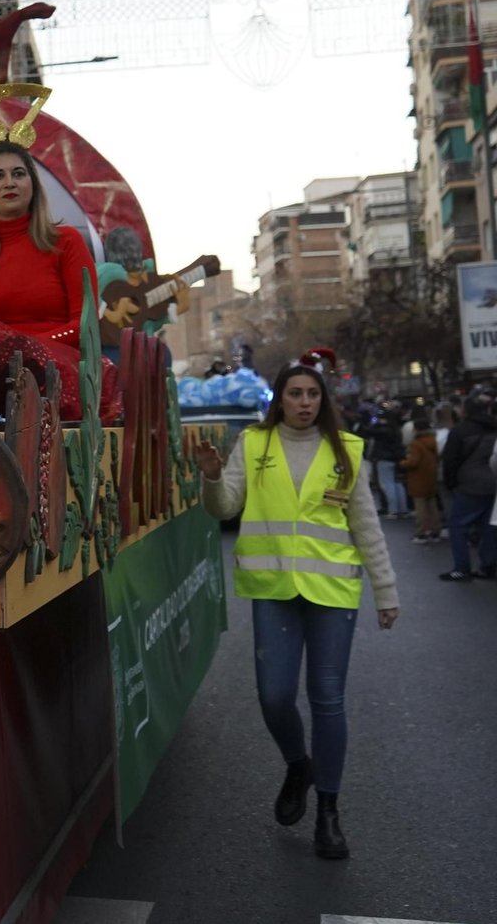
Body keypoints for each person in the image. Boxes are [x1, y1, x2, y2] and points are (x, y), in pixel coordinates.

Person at [196, 358, 399, 861]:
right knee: (274, 696)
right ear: (280, 399)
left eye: (313, 394)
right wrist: (214, 478)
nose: (305, 402)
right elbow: (225, 507)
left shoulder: (347, 450)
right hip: (273, 589)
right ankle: (297, 763)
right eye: (295, 394)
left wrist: (387, 591)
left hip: (333, 592)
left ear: (322, 400)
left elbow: (367, 527)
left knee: (328, 698)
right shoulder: (254, 444)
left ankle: (328, 814)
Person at [0, 136, 119, 422]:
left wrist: (29, 349)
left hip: (59, 375)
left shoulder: (67, 242)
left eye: (18, 174)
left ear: (33, 185)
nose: (9, 183)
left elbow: (84, 325)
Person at [437, 392, 497, 580]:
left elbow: (450, 460)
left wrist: (451, 483)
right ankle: (488, 566)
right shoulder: (493, 428)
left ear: (463, 411)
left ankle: (462, 568)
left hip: (470, 483)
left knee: (457, 526)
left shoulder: (460, 431)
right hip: (493, 481)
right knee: (490, 527)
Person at [359, 404, 409, 519]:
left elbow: (368, 431)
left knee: (387, 484)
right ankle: (403, 508)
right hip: (396, 457)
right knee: (398, 484)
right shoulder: (396, 429)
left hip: (384, 458)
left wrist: (376, 423)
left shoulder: (381, 430)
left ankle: (393, 510)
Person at [400, 412, 441, 544]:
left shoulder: (416, 444)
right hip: (431, 476)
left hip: (418, 478)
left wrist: (402, 463)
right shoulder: (433, 440)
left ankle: (422, 532)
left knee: (420, 507)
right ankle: (435, 530)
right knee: (432, 505)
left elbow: (414, 462)